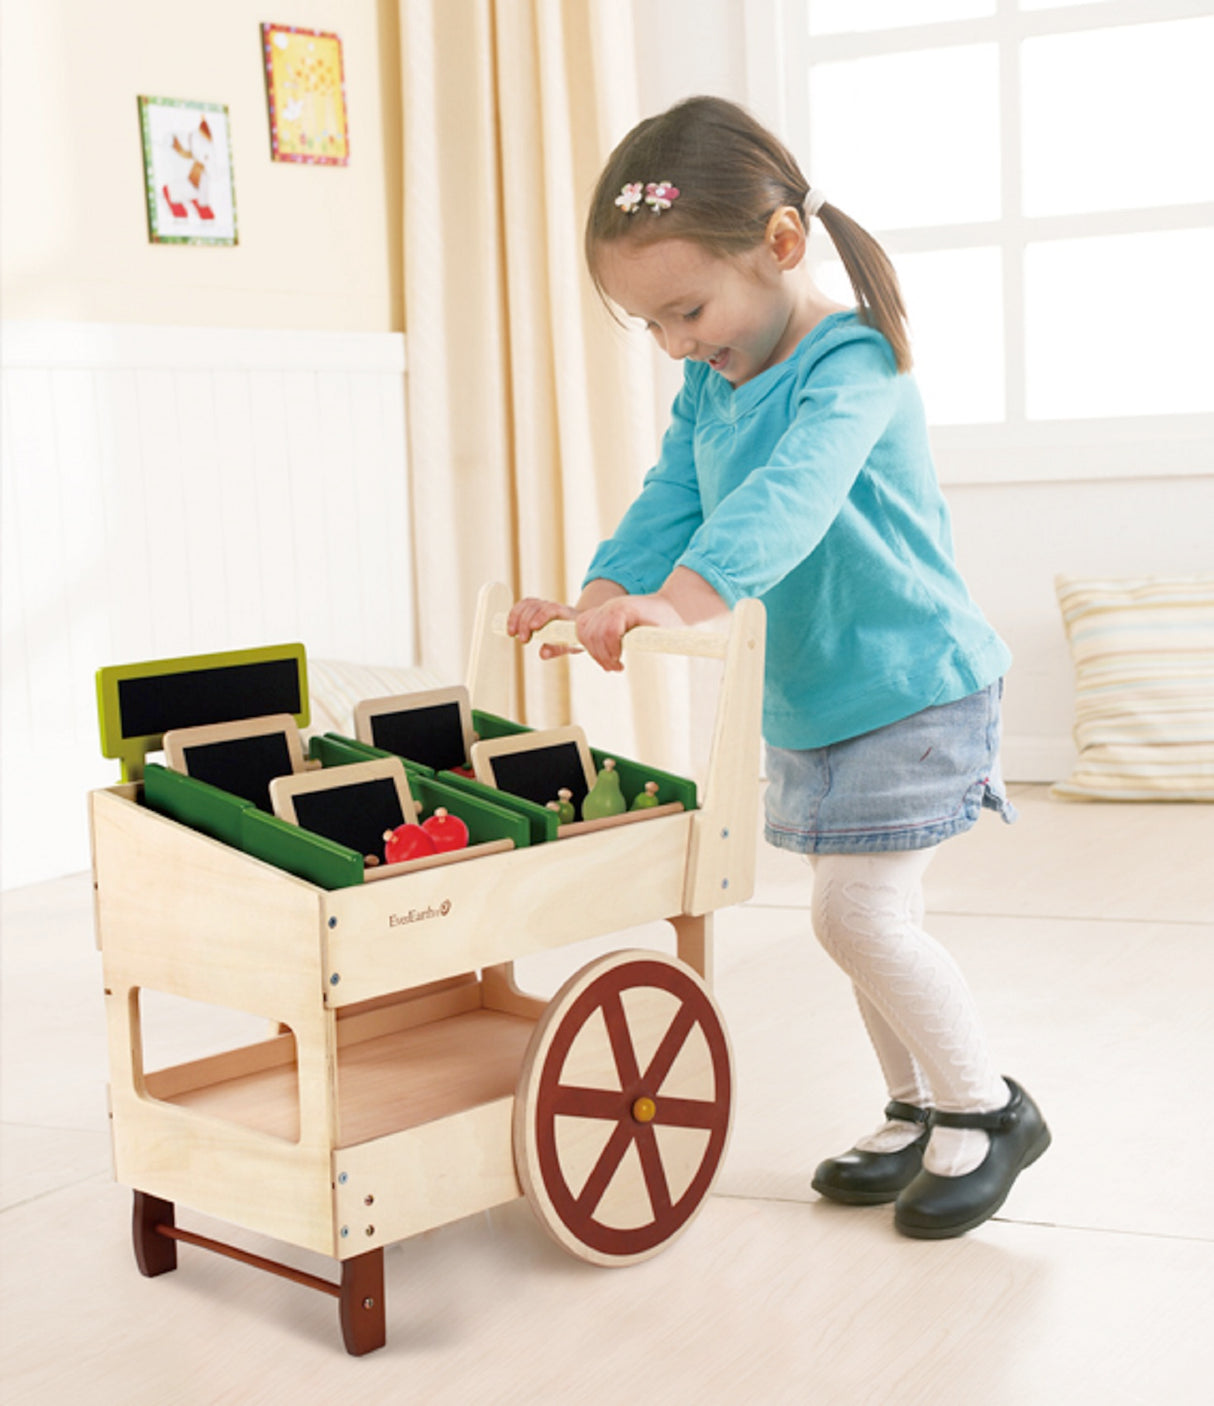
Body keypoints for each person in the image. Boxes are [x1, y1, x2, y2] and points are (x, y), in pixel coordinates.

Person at [507, 95, 1049, 1239]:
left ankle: (986, 1105)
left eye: (686, 310)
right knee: (857, 911)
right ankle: (912, 1104)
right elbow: (675, 495)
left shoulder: (851, 364)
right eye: (648, 325)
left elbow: (785, 501)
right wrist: (606, 593)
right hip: (818, 696)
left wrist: (682, 598)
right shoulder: (714, 380)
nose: (673, 345)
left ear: (781, 248)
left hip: (912, 686)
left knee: (856, 917)